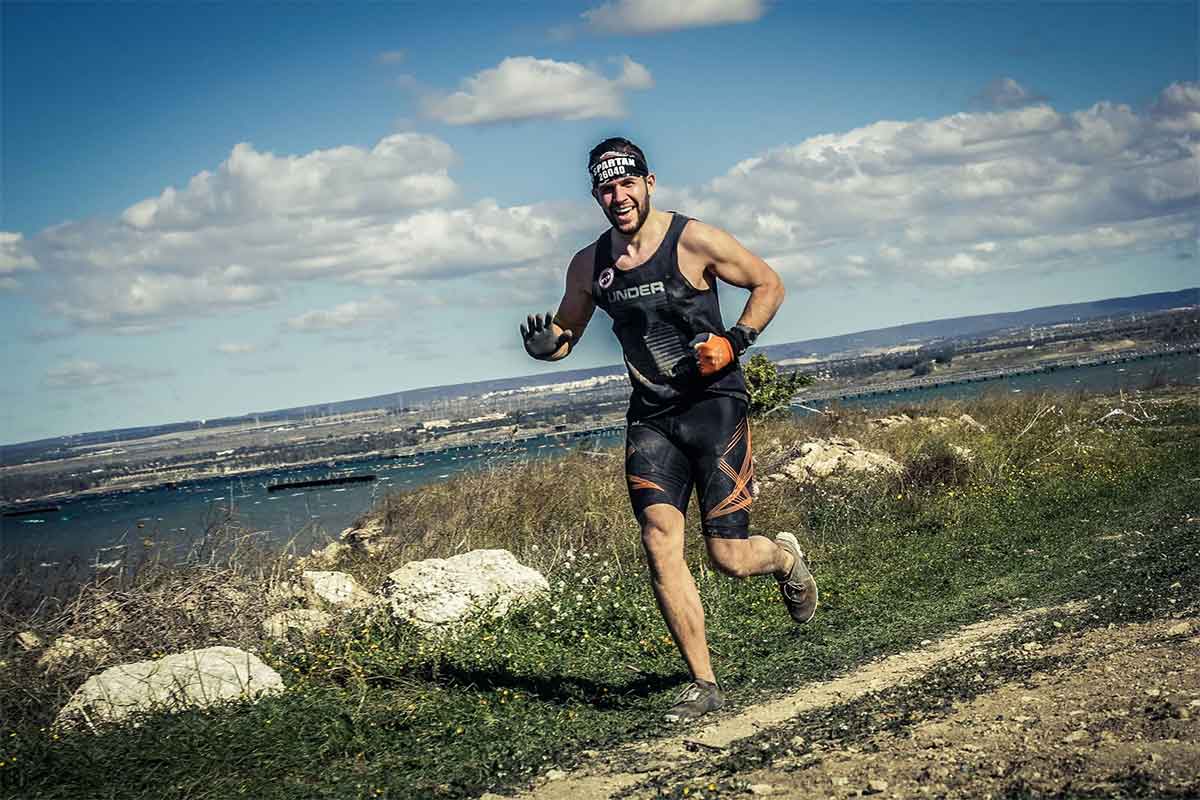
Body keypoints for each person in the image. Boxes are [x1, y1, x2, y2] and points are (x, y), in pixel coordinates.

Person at [519, 137, 817, 722]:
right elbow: (565, 332)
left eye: (627, 182)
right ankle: (703, 683)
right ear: (596, 195)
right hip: (652, 416)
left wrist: (734, 341)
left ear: (648, 183)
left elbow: (769, 283)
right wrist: (545, 346)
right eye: (606, 187)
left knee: (728, 557)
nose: (618, 195)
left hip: (715, 406)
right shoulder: (590, 265)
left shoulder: (694, 239)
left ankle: (783, 560)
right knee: (660, 541)